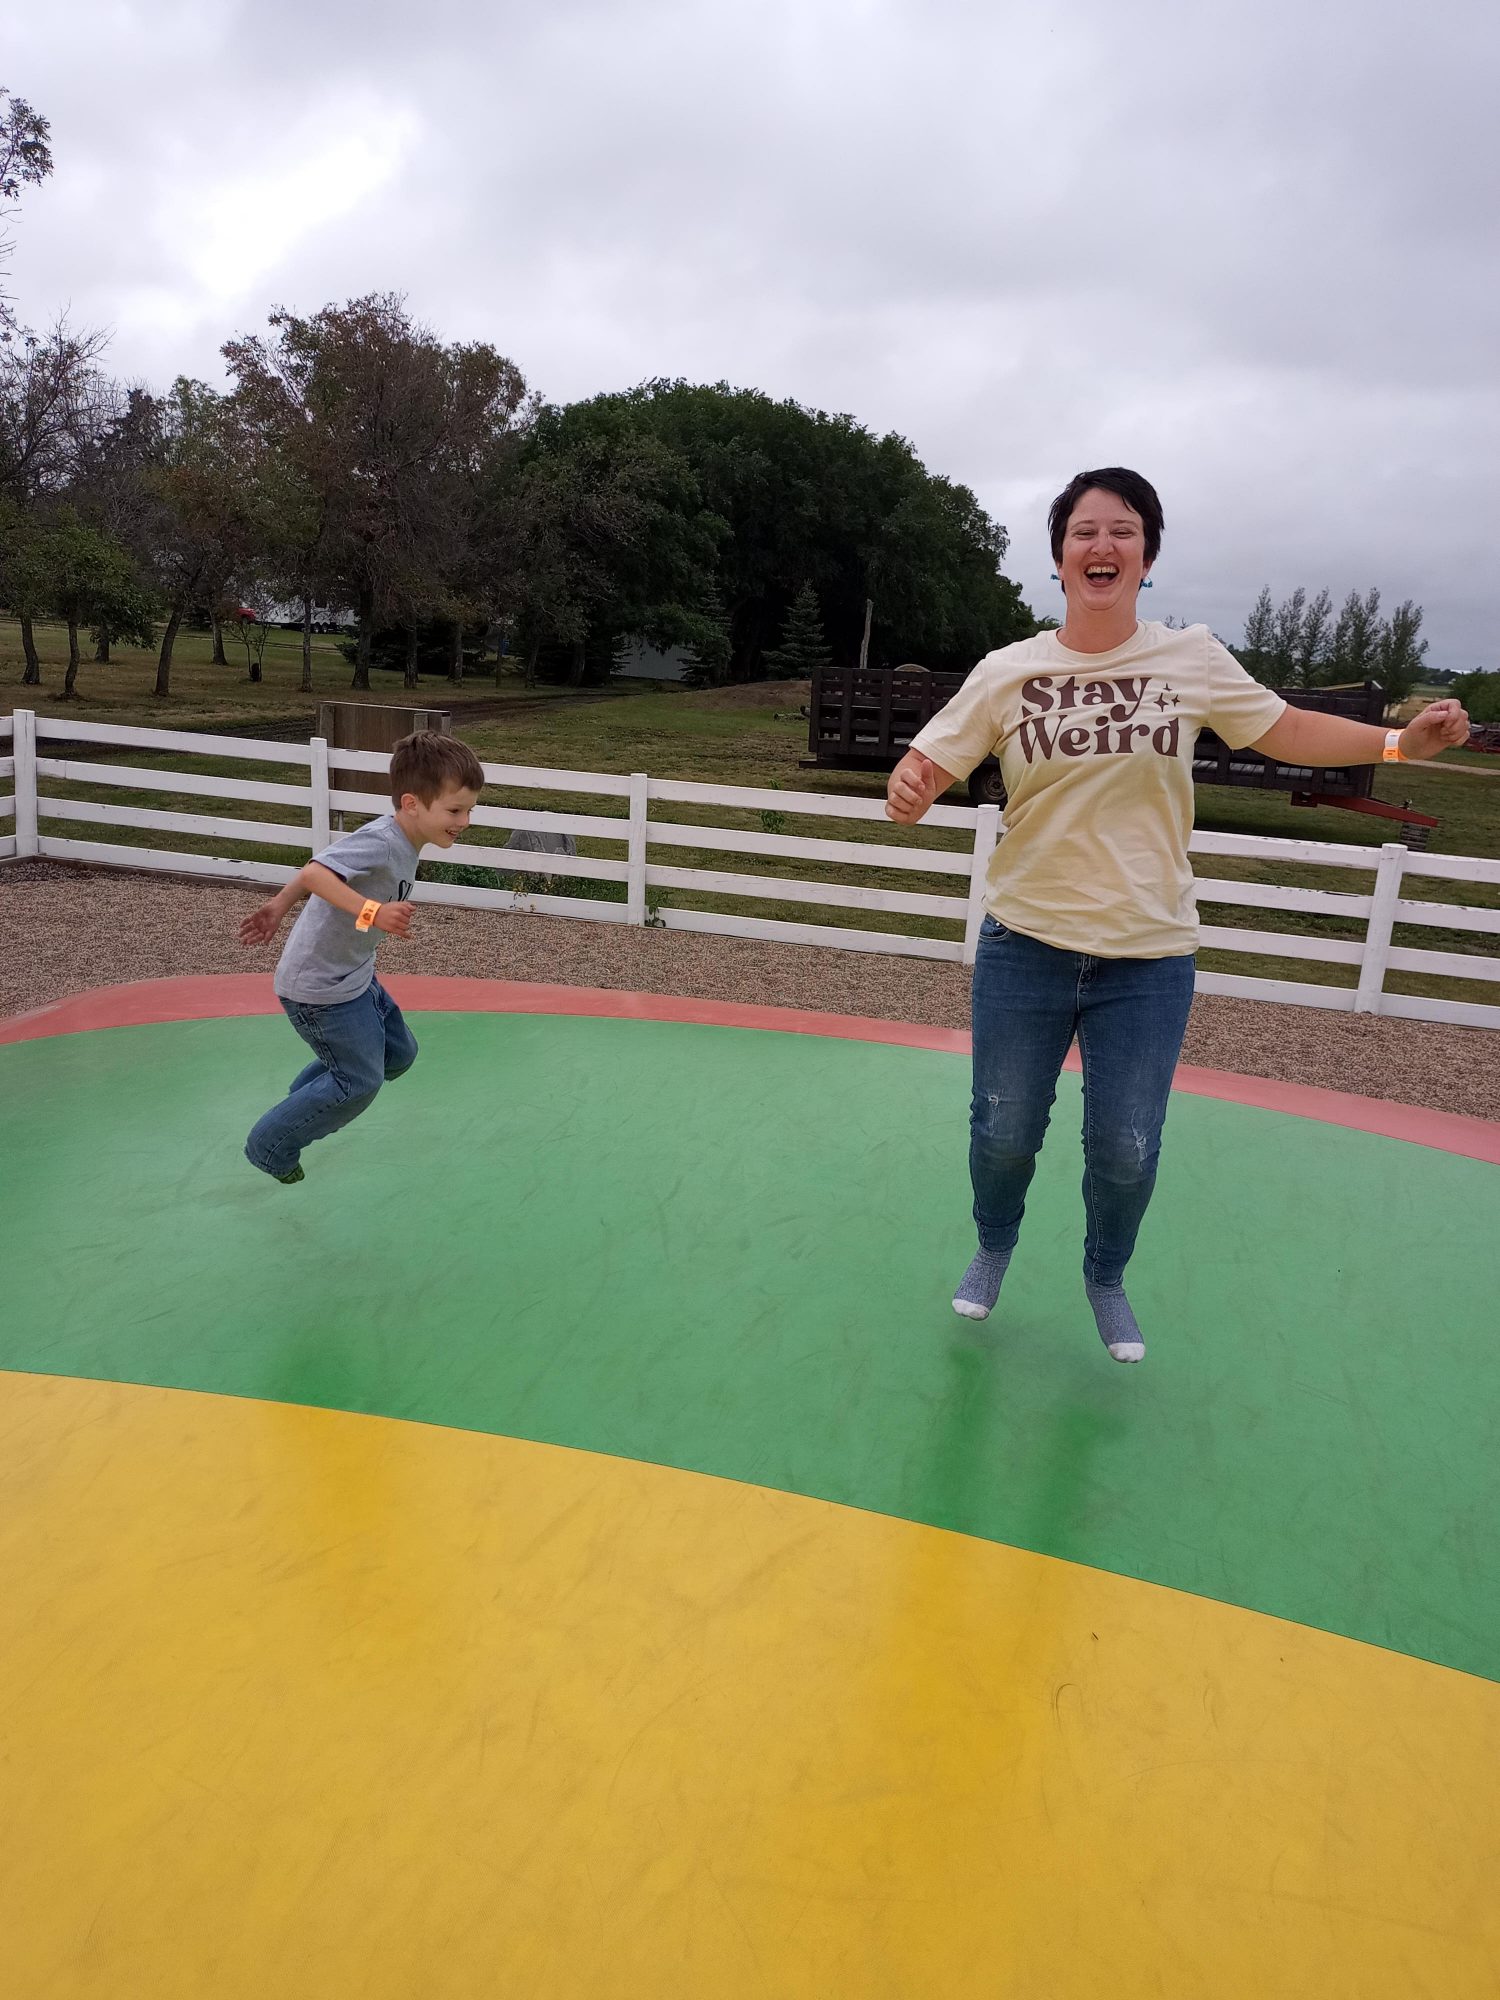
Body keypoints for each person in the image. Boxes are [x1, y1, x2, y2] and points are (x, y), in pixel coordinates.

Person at [886, 468, 1470, 1363]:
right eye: (1084, 531)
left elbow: (1287, 729)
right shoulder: (1009, 670)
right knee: (1003, 1129)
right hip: (1025, 945)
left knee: (1125, 1146)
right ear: (1059, 556)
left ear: (1147, 556)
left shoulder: (1190, 658)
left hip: (1148, 956)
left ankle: (1105, 1276)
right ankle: (994, 1246)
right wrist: (913, 782)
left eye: (1124, 531)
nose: (1103, 546)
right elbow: (933, 756)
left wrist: (1397, 742)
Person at [238, 730, 485, 1183]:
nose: (464, 820)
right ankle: (270, 1146)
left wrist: (278, 905)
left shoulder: (403, 841)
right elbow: (317, 873)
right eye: (454, 810)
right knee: (360, 1082)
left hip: (354, 975)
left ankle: (307, 1099)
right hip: (320, 989)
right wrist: (373, 911)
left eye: (469, 809)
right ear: (412, 804)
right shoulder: (382, 841)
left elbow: (318, 867)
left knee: (399, 1055)